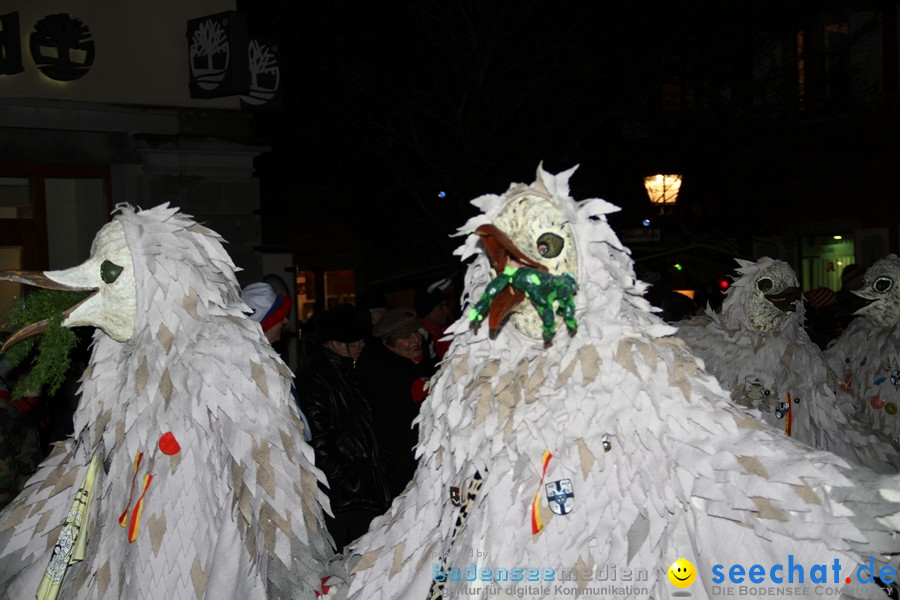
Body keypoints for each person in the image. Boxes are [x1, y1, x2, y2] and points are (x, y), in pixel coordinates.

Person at [296, 304, 391, 550]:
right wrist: (346, 482)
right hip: (345, 500)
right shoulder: (317, 377)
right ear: (338, 341)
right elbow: (317, 441)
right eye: (356, 338)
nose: (362, 344)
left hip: (361, 492)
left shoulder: (347, 370)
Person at [358, 307, 438, 499]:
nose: (415, 340)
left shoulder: (431, 364)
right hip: (402, 469)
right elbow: (390, 429)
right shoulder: (381, 377)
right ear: (388, 344)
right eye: (406, 336)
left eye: (415, 332)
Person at [241, 282, 312, 441]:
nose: (286, 320)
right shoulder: (252, 367)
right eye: (279, 317)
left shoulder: (268, 359)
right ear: (264, 324)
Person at [415, 278, 454, 360]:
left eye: (446, 305)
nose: (447, 310)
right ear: (426, 310)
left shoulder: (448, 331)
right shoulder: (416, 338)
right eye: (441, 306)